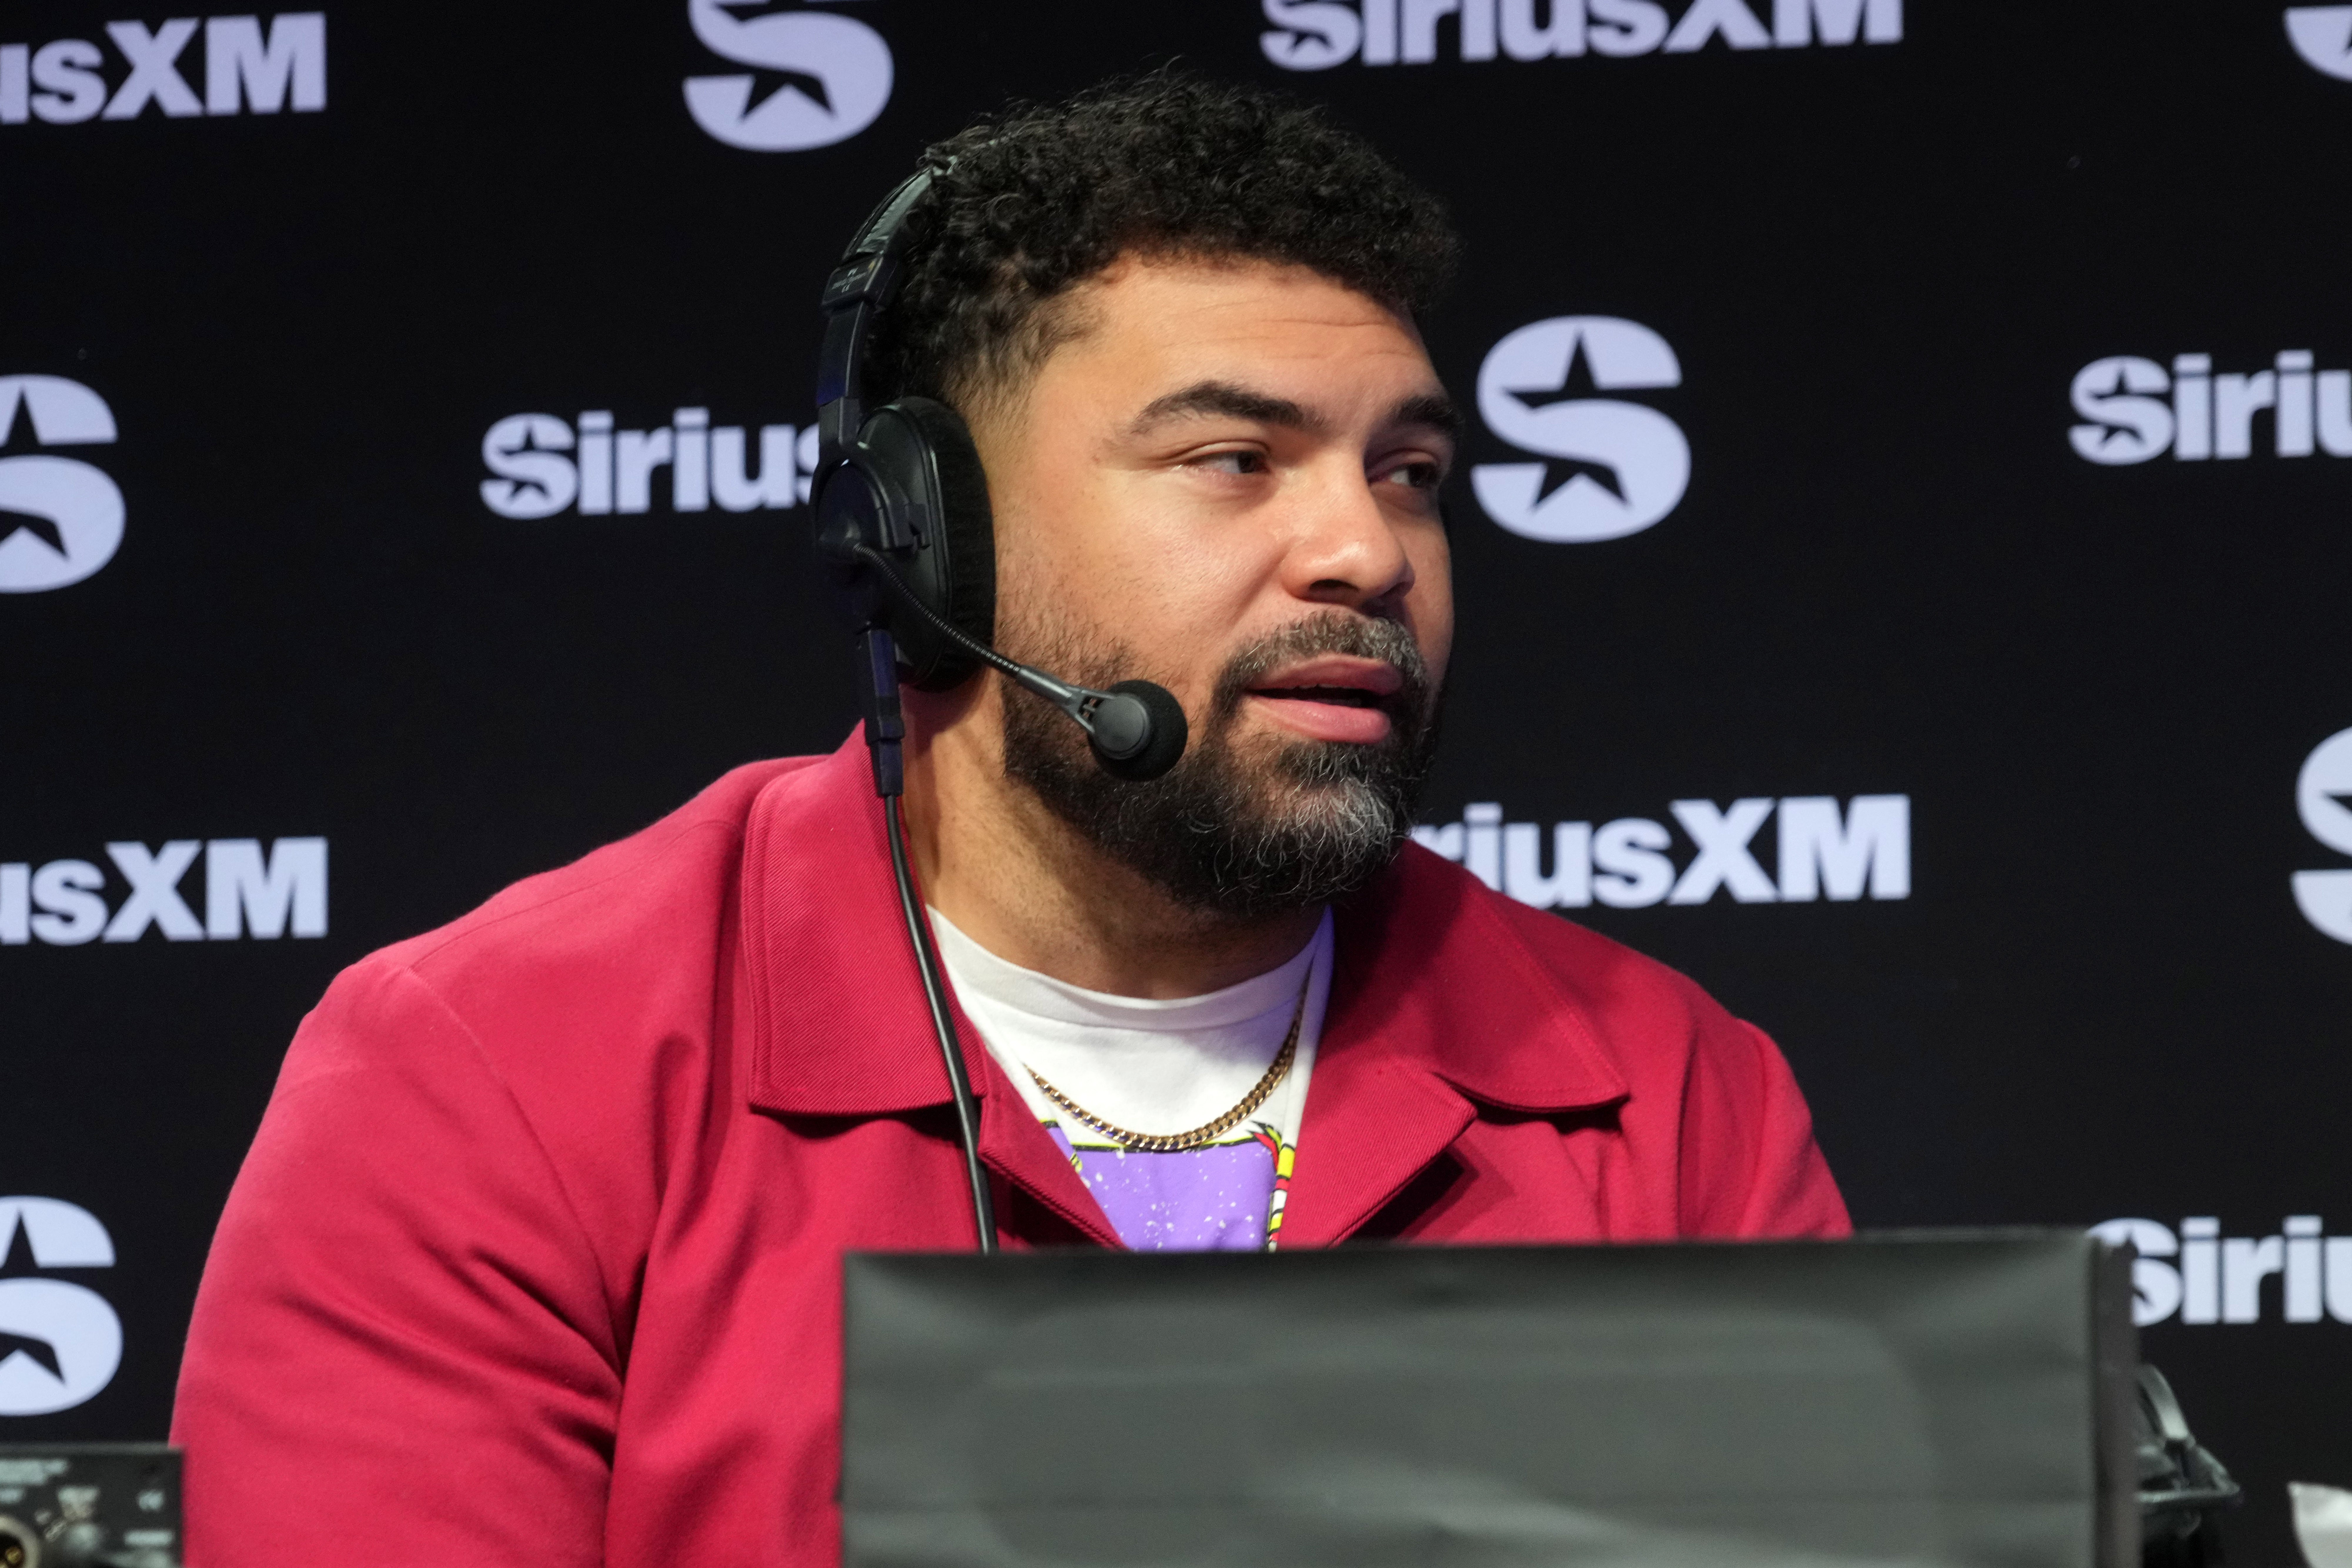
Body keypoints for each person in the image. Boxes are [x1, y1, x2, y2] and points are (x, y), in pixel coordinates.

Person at [171, 74, 1848, 1568]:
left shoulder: (1658, 1092)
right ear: (927, 543)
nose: (1364, 551)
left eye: (1406, 470)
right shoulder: (502, 1075)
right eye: (1233, 459)